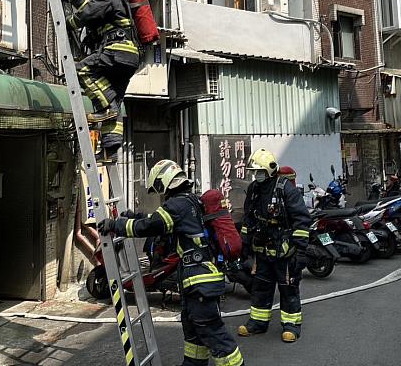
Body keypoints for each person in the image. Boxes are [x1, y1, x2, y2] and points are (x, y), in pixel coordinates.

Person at [98, 160, 244, 366]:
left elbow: (151, 226)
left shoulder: (176, 205)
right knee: (194, 332)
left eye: (159, 187)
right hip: (201, 279)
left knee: (213, 332)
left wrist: (116, 224)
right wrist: (136, 216)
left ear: (166, 181)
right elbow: (161, 221)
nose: (160, 192)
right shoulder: (190, 201)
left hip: (199, 280)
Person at [238, 149, 311, 343]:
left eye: (259, 171)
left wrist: (301, 252)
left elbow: (302, 220)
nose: (256, 175)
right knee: (260, 288)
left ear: (270, 169)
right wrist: (244, 244)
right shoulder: (254, 189)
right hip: (262, 250)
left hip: (285, 252)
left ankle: (291, 325)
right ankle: (258, 323)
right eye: (254, 172)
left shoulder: (285, 188)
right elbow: (248, 218)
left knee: (288, 288)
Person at [62, 0, 140, 124]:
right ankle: (112, 147)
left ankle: (108, 108)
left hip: (116, 52)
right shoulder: (121, 0)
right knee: (115, 102)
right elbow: (94, 13)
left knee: (81, 70)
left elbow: (88, 14)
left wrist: (67, 23)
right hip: (130, 58)